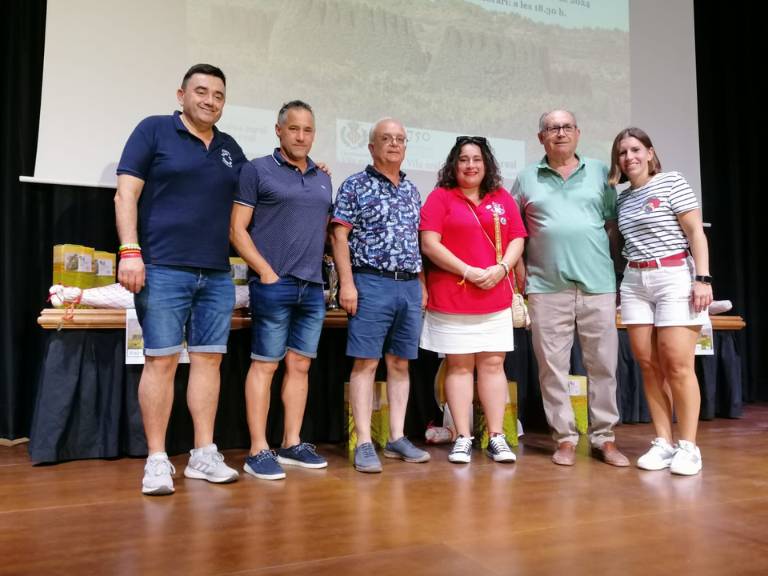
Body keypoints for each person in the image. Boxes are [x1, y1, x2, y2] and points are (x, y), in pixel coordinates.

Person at [115, 63, 245, 495]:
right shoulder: (153, 130)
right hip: (162, 268)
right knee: (162, 360)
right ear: (181, 95)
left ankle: (202, 454)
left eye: (219, 95)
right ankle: (156, 460)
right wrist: (130, 251)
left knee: (209, 360)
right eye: (202, 92)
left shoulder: (230, 148)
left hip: (215, 273)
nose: (210, 100)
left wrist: (307, 165)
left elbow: (254, 198)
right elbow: (126, 193)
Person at [512, 110, 629, 467]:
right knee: (552, 368)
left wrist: (615, 276)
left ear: (578, 133)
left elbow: (612, 227)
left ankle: (604, 438)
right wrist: (522, 283)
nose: (559, 133)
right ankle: (564, 438)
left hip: (598, 286)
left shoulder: (599, 172)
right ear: (540, 138)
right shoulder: (526, 178)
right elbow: (516, 235)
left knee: (604, 366)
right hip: (546, 287)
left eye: (566, 127)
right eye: (551, 128)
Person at [230, 100, 332, 480]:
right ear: (278, 130)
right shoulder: (257, 170)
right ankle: (259, 448)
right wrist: (265, 272)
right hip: (274, 285)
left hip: (313, 288)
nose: (301, 136)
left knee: (300, 366)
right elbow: (237, 229)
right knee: (265, 365)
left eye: (307, 130)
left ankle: (291, 442)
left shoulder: (323, 176)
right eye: (294, 129)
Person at [609, 127, 712, 476]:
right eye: (622, 153)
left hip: (674, 276)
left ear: (650, 153)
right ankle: (664, 442)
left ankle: (689, 446)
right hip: (635, 281)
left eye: (636, 149)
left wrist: (702, 279)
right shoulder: (621, 199)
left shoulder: (672, 182)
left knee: (677, 364)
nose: (629, 157)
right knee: (648, 363)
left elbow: (695, 231)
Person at [331, 118, 430, 473]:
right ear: (372, 146)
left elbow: (416, 242)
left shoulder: (412, 190)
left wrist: (421, 283)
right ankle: (364, 441)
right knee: (366, 363)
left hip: (407, 284)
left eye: (400, 139)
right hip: (370, 282)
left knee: (400, 363)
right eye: (385, 139)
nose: (393, 144)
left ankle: (397, 437)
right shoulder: (354, 185)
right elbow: (339, 237)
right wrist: (347, 283)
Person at [420, 136, 527, 464]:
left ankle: (496, 436)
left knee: (493, 366)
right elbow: (429, 243)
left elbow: (517, 238)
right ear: (454, 164)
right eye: (464, 159)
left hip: (494, 294)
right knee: (459, 366)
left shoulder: (502, 198)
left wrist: (501, 268)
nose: (470, 165)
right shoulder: (440, 198)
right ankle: (463, 437)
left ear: (486, 164)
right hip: (452, 296)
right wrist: (467, 269)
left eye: (476, 159)